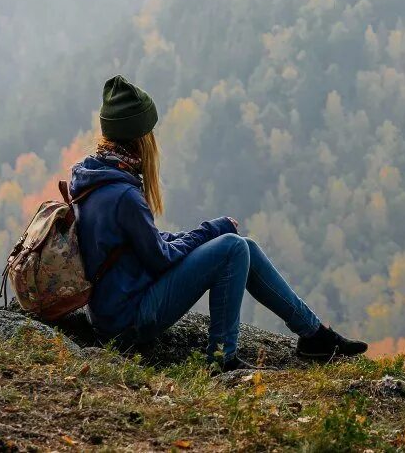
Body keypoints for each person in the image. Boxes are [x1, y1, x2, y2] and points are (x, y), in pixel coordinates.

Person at [70, 75, 367, 371]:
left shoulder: (97, 177)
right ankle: (221, 358)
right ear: (139, 137)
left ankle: (313, 334)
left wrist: (204, 235)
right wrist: (211, 230)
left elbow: (145, 245)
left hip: (112, 311)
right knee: (233, 248)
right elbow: (160, 259)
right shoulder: (124, 195)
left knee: (244, 246)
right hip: (128, 320)